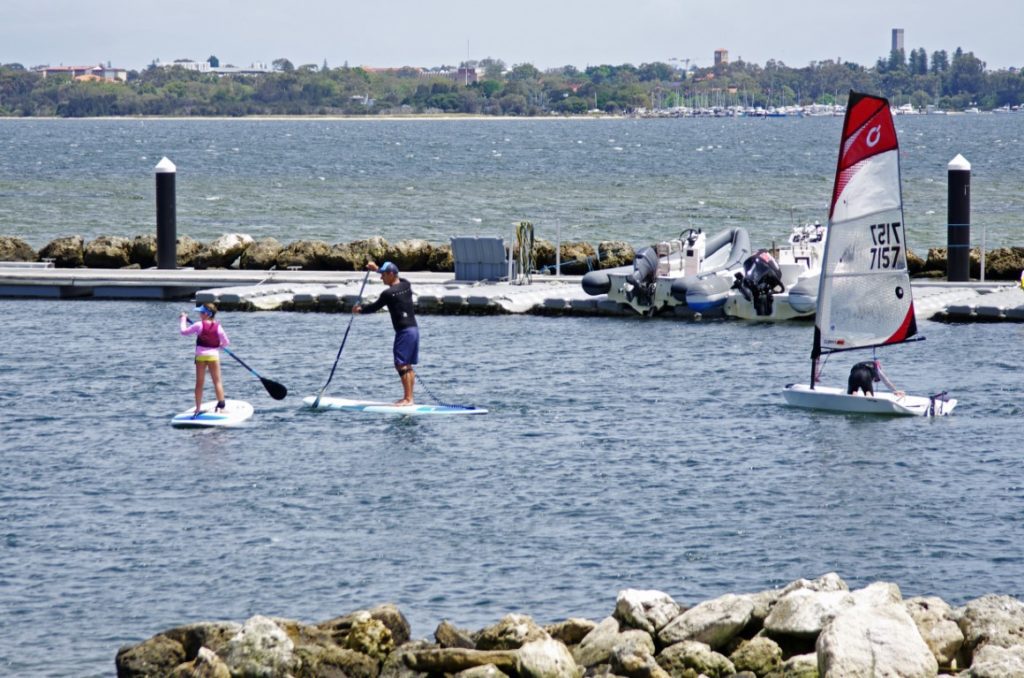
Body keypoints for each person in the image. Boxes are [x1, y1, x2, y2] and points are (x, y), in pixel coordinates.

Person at [352, 261, 419, 406]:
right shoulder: (406, 284)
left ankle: (408, 399)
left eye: (383, 275)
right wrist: (377, 269)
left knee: (401, 365)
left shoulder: (388, 293)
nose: (381, 277)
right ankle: (409, 398)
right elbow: (397, 279)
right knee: (406, 365)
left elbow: (374, 307)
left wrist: (359, 310)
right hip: (413, 330)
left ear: (391, 274)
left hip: (404, 332)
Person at [179, 302, 230, 415]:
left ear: (207, 314)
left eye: (201, 312)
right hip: (213, 356)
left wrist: (183, 319)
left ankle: (197, 409)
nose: (199, 314)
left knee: (199, 383)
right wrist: (219, 345)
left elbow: (183, 332)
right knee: (217, 381)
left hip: (201, 357)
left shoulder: (198, 325)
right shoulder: (218, 327)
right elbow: (226, 342)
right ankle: (222, 407)